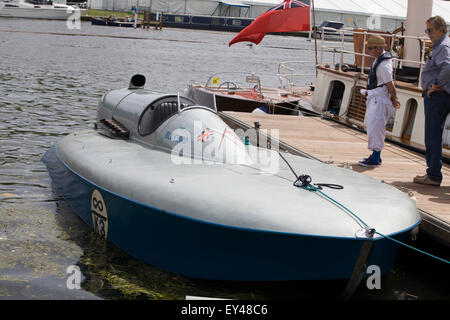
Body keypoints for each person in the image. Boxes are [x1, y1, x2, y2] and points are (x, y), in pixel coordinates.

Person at [413, 16, 450, 186]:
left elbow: (448, 67)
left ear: (441, 29)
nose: (428, 34)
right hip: (439, 95)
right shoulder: (442, 46)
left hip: (438, 96)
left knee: (433, 135)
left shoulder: (443, 46)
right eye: (427, 30)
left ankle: (434, 175)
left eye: (430, 30)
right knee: (434, 135)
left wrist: (435, 85)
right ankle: (433, 173)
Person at [358, 35, 401, 167]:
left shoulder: (383, 66)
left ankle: (375, 158)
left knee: (376, 128)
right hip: (375, 98)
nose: (368, 51)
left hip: (379, 100)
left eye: (370, 48)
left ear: (378, 49)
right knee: (373, 127)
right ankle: (375, 155)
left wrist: (394, 98)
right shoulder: (379, 60)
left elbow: (390, 85)